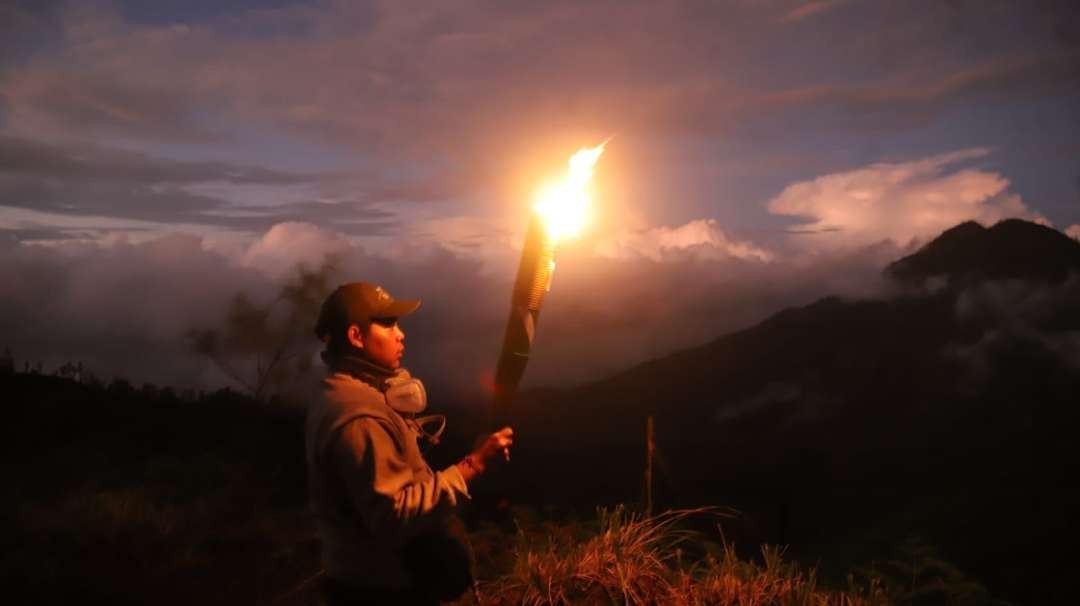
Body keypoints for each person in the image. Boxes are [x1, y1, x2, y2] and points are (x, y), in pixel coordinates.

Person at [306, 281, 513, 605]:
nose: (400, 334)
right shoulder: (360, 418)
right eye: (387, 324)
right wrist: (473, 465)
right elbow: (395, 515)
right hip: (385, 594)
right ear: (356, 337)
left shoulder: (346, 394)